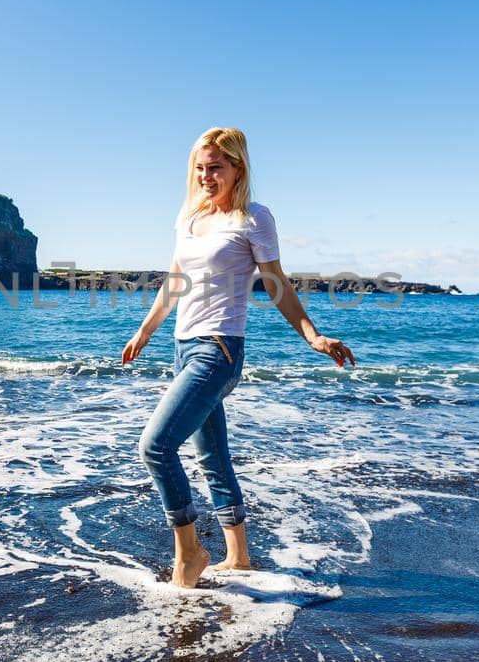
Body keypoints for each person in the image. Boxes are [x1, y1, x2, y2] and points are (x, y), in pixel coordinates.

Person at [122, 128, 355, 588]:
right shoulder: (189, 215)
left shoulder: (253, 218)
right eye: (200, 167)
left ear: (238, 168)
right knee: (212, 455)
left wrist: (312, 335)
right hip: (183, 346)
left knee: (156, 446)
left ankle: (189, 553)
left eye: (216, 167)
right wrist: (144, 332)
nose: (206, 176)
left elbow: (276, 283)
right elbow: (174, 280)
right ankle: (239, 556)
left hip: (219, 349)